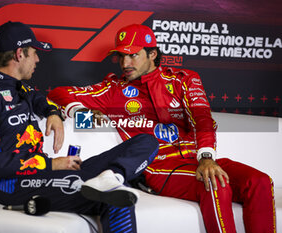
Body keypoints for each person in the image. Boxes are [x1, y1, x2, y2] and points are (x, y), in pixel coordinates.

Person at [47, 24, 276, 233]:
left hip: (197, 160)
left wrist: (206, 157)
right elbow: (58, 93)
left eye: (133, 55)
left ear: (152, 54)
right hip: (158, 167)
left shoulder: (183, 80)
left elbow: (202, 118)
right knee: (215, 185)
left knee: (260, 181)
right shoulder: (113, 89)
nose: (125, 63)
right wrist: (79, 112)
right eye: (121, 56)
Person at [0, 21, 159, 233]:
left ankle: (113, 176)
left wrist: (53, 113)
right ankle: (110, 184)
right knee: (115, 198)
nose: (38, 59)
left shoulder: (18, 86)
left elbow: (44, 100)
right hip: (14, 183)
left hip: (46, 172)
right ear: (19, 54)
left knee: (147, 141)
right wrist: (51, 164)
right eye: (34, 52)